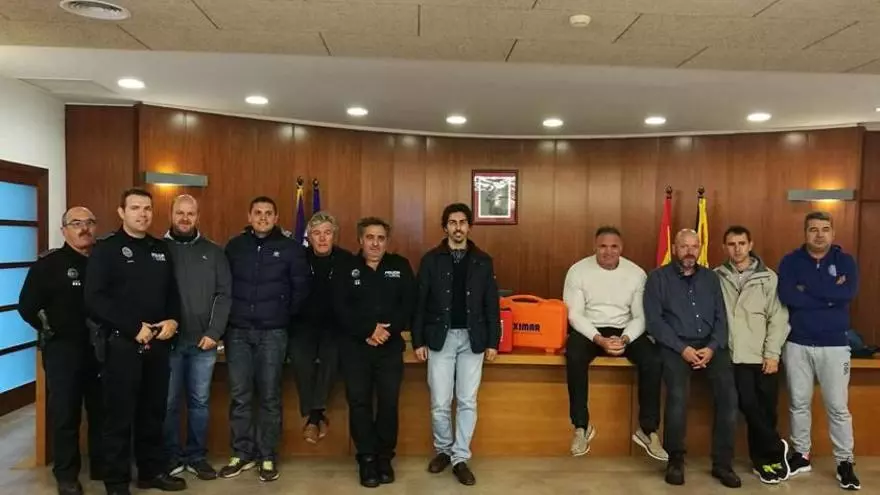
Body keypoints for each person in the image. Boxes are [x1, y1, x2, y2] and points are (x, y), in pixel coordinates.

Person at [84, 188, 185, 495]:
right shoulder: (106, 249)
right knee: (118, 417)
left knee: (153, 414)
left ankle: (150, 472)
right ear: (121, 212)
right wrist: (131, 327)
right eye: (135, 208)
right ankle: (116, 482)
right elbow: (94, 299)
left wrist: (173, 320)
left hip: (157, 345)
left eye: (147, 208)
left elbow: (172, 294)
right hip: (122, 345)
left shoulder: (160, 248)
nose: (142, 214)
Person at [219, 196, 310, 482]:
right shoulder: (235, 246)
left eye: (268, 213)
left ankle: (267, 456)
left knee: (270, 397)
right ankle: (241, 453)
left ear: (276, 217)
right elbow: (223, 286)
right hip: (238, 332)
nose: (262, 217)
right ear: (249, 216)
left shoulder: (291, 248)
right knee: (240, 396)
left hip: (273, 333)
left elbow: (300, 289)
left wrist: (280, 315)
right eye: (257, 212)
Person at [644, 229, 740, 488]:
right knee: (677, 395)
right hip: (675, 347)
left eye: (694, 246)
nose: (689, 251)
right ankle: (675, 460)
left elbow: (722, 318)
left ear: (700, 249)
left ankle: (723, 464)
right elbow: (654, 322)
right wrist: (682, 348)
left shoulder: (711, 278)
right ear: (674, 248)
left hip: (710, 347)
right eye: (684, 246)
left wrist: (712, 347)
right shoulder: (657, 278)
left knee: (729, 396)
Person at [412, 203, 500, 486]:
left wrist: (493, 341)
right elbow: (419, 303)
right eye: (452, 222)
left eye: (462, 222)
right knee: (439, 401)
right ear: (445, 227)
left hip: (473, 339)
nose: (458, 227)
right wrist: (418, 340)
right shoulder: (430, 260)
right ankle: (443, 451)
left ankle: (460, 457)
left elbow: (491, 304)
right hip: (441, 338)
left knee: (466, 401)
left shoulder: (483, 261)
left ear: (469, 227)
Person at [563, 226, 666, 461]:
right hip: (590, 328)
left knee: (653, 359)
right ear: (594, 246)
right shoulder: (578, 271)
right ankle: (581, 427)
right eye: (603, 246)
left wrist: (625, 338)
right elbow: (575, 315)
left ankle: (648, 430)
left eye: (613, 246)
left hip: (625, 329)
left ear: (621, 248)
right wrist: (599, 339)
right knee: (574, 355)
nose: (608, 251)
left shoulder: (636, 273)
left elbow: (641, 316)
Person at [18, 207, 102, 495]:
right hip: (64, 351)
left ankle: (102, 465)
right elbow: (27, 306)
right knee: (66, 414)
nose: (84, 228)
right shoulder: (48, 264)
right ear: (64, 230)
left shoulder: (104, 261)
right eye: (76, 223)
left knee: (102, 411)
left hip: (101, 348)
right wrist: (50, 329)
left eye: (89, 223)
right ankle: (66, 475)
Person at [777, 211, 861, 490]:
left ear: (833, 233)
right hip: (797, 343)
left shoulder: (845, 261)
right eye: (813, 229)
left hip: (834, 346)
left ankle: (845, 462)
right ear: (805, 233)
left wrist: (807, 290)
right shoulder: (790, 261)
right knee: (798, 402)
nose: (819, 234)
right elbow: (788, 296)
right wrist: (828, 295)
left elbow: (847, 294)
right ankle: (801, 455)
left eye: (825, 229)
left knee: (837, 406)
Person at [334, 217, 415, 488]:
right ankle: (366, 458)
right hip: (355, 349)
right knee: (359, 403)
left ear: (387, 241)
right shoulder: (346, 267)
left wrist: (385, 332)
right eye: (370, 237)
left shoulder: (400, 266)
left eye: (381, 238)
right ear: (360, 240)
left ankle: (384, 457)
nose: (375, 243)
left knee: (388, 403)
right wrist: (369, 330)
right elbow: (340, 308)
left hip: (389, 348)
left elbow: (408, 304)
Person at [162, 195, 231, 481]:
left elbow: (224, 294)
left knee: (199, 402)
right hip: (168, 343)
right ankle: (170, 456)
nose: (185, 218)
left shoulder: (214, 252)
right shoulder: (157, 250)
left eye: (190, 213)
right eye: (180, 212)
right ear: (171, 214)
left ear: (198, 217)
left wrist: (214, 333)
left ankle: (196, 456)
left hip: (203, 343)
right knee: (168, 403)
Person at [715, 225, 791, 484]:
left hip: (763, 355)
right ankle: (774, 446)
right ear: (724, 247)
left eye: (741, 243)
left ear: (750, 245)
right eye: (731, 244)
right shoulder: (716, 277)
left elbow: (778, 319)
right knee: (748, 405)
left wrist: (772, 354)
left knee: (766, 409)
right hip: (734, 356)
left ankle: (764, 462)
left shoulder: (768, 278)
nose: (737, 249)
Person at [291, 211, 351, 444]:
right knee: (299, 356)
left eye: (327, 233)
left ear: (335, 235)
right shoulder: (299, 259)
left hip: (335, 325)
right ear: (309, 237)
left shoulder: (346, 260)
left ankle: (314, 418)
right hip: (304, 324)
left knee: (332, 354)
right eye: (317, 233)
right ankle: (315, 414)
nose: (323, 238)